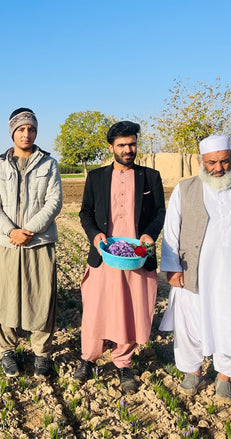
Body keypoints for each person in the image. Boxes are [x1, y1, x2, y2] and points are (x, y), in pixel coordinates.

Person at [159, 135, 231, 404]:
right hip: (193, 271)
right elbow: (171, 231)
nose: (219, 167)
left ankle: (225, 378)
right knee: (190, 323)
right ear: (200, 161)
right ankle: (192, 371)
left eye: (224, 161)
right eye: (212, 162)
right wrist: (172, 267)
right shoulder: (184, 189)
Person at [75, 121, 165, 393]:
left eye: (132, 144)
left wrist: (149, 235)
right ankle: (89, 359)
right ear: (111, 147)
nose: (128, 149)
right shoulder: (97, 177)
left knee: (131, 308)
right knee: (95, 308)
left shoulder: (150, 176)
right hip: (105, 255)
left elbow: (160, 212)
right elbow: (85, 213)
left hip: (136, 256)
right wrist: (95, 236)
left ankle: (123, 362)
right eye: (122, 145)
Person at [0, 108, 62, 379]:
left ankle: (42, 353)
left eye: (31, 129)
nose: (26, 134)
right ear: (12, 132)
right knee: (5, 297)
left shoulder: (48, 164)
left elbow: (54, 202)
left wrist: (29, 229)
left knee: (42, 298)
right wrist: (11, 231)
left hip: (39, 241)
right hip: (6, 243)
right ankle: (7, 351)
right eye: (21, 129)